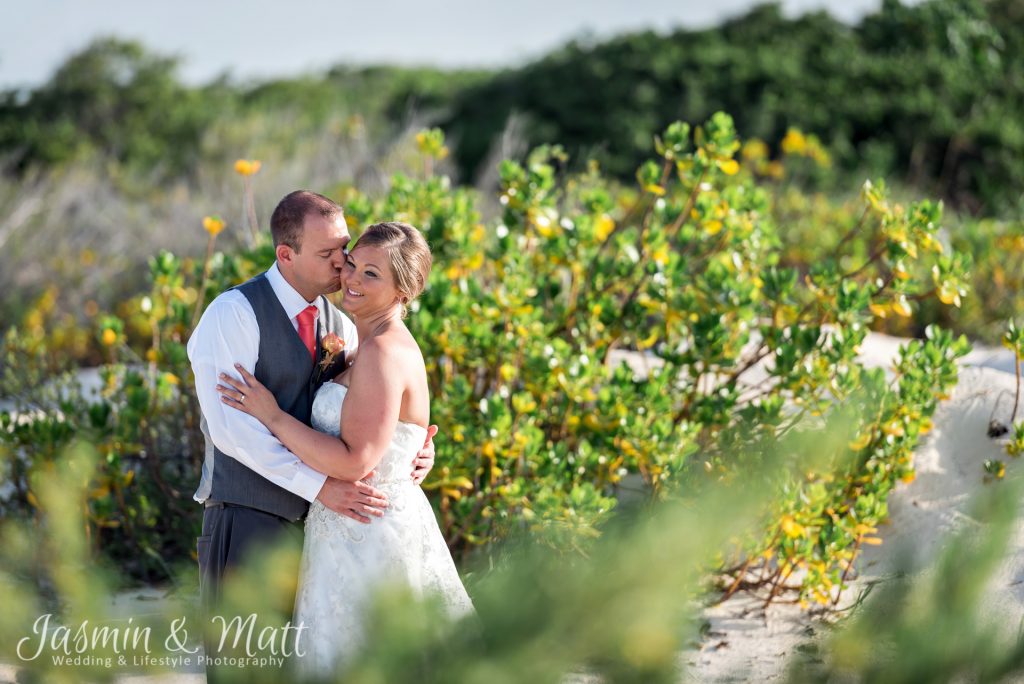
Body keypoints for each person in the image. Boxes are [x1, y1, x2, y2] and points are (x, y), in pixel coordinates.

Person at [187, 192, 438, 676]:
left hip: (327, 533)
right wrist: (320, 486)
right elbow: (231, 430)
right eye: (329, 254)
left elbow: (372, 414)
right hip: (250, 518)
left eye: (345, 250)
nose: (343, 264)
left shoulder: (341, 322)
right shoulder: (232, 313)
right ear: (286, 254)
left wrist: (414, 447)